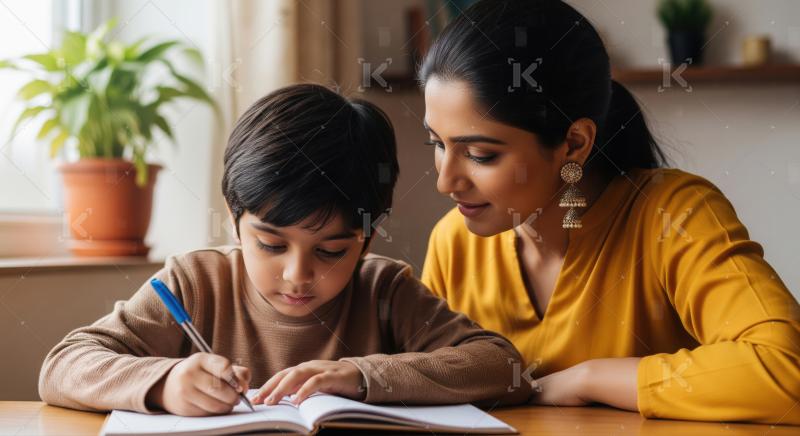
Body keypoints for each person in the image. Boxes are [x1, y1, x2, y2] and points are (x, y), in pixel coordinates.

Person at [38, 83, 531, 416]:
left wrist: (361, 375)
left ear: (366, 240)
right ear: (234, 222)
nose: (298, 275)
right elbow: (64, 364)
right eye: (272, 244)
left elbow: (503, 366)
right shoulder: (194, 284)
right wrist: (163, 383)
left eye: (332, 251)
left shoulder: (385, 289)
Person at [419, 0, 800, 425]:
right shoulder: (453, 242)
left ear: (575, 143)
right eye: (437, 144)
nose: (444, 181)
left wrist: (588, 379)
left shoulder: (673, 216)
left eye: (480, 154)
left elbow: (786, 371)